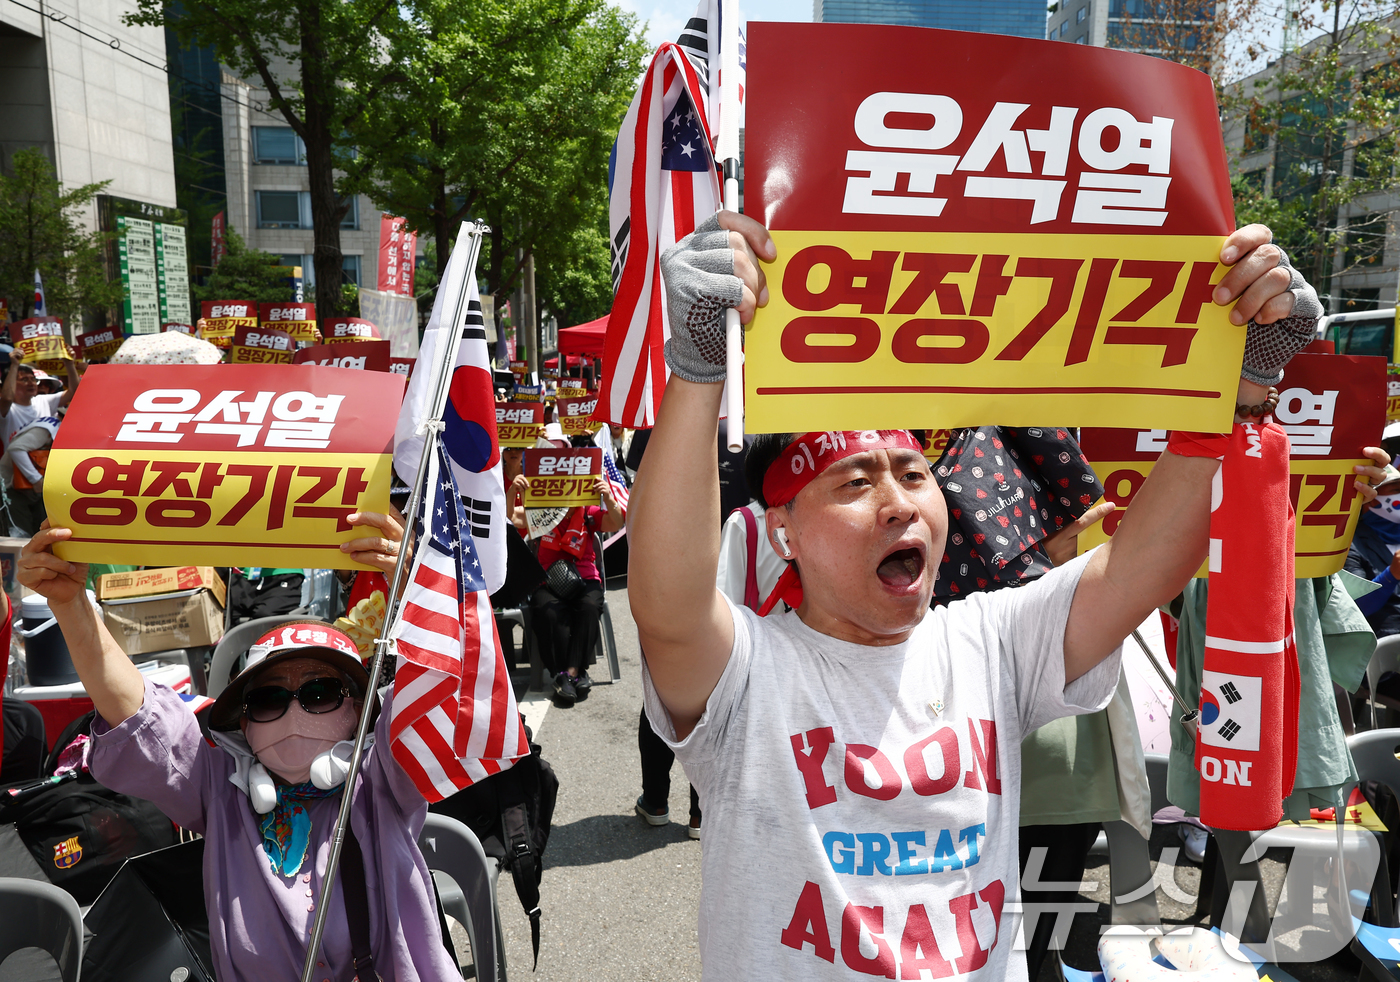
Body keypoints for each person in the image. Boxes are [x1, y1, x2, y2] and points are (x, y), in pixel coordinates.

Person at [627, 210, 1319, 980]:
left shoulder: (988, 641)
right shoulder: (745, 677)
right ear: (782, 531)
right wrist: (695, 369)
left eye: (915, 474)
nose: (898, 503)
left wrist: (1241, 386)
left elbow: (1139, 570)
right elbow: (668, 602)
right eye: (856, 483)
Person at [16, 511, 468, 981]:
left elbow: (437, 682)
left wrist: (412, 580)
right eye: (270, 698)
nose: (296, 713)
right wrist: (70, 605)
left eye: (320, 694)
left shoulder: (383, 777)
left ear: (358, 713)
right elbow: (132, 708)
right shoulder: (217, 786)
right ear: (244, 725)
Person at [531, 478, 626, 703]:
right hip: (548, 580)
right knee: (548, 611)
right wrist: (514, 491)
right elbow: (512, 519)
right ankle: (570, 674)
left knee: (590, 606)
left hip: (585, 578)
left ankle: (570, 674)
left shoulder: (588, 512)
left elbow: (616, 522)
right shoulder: (540, 510)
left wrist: (608, 499)